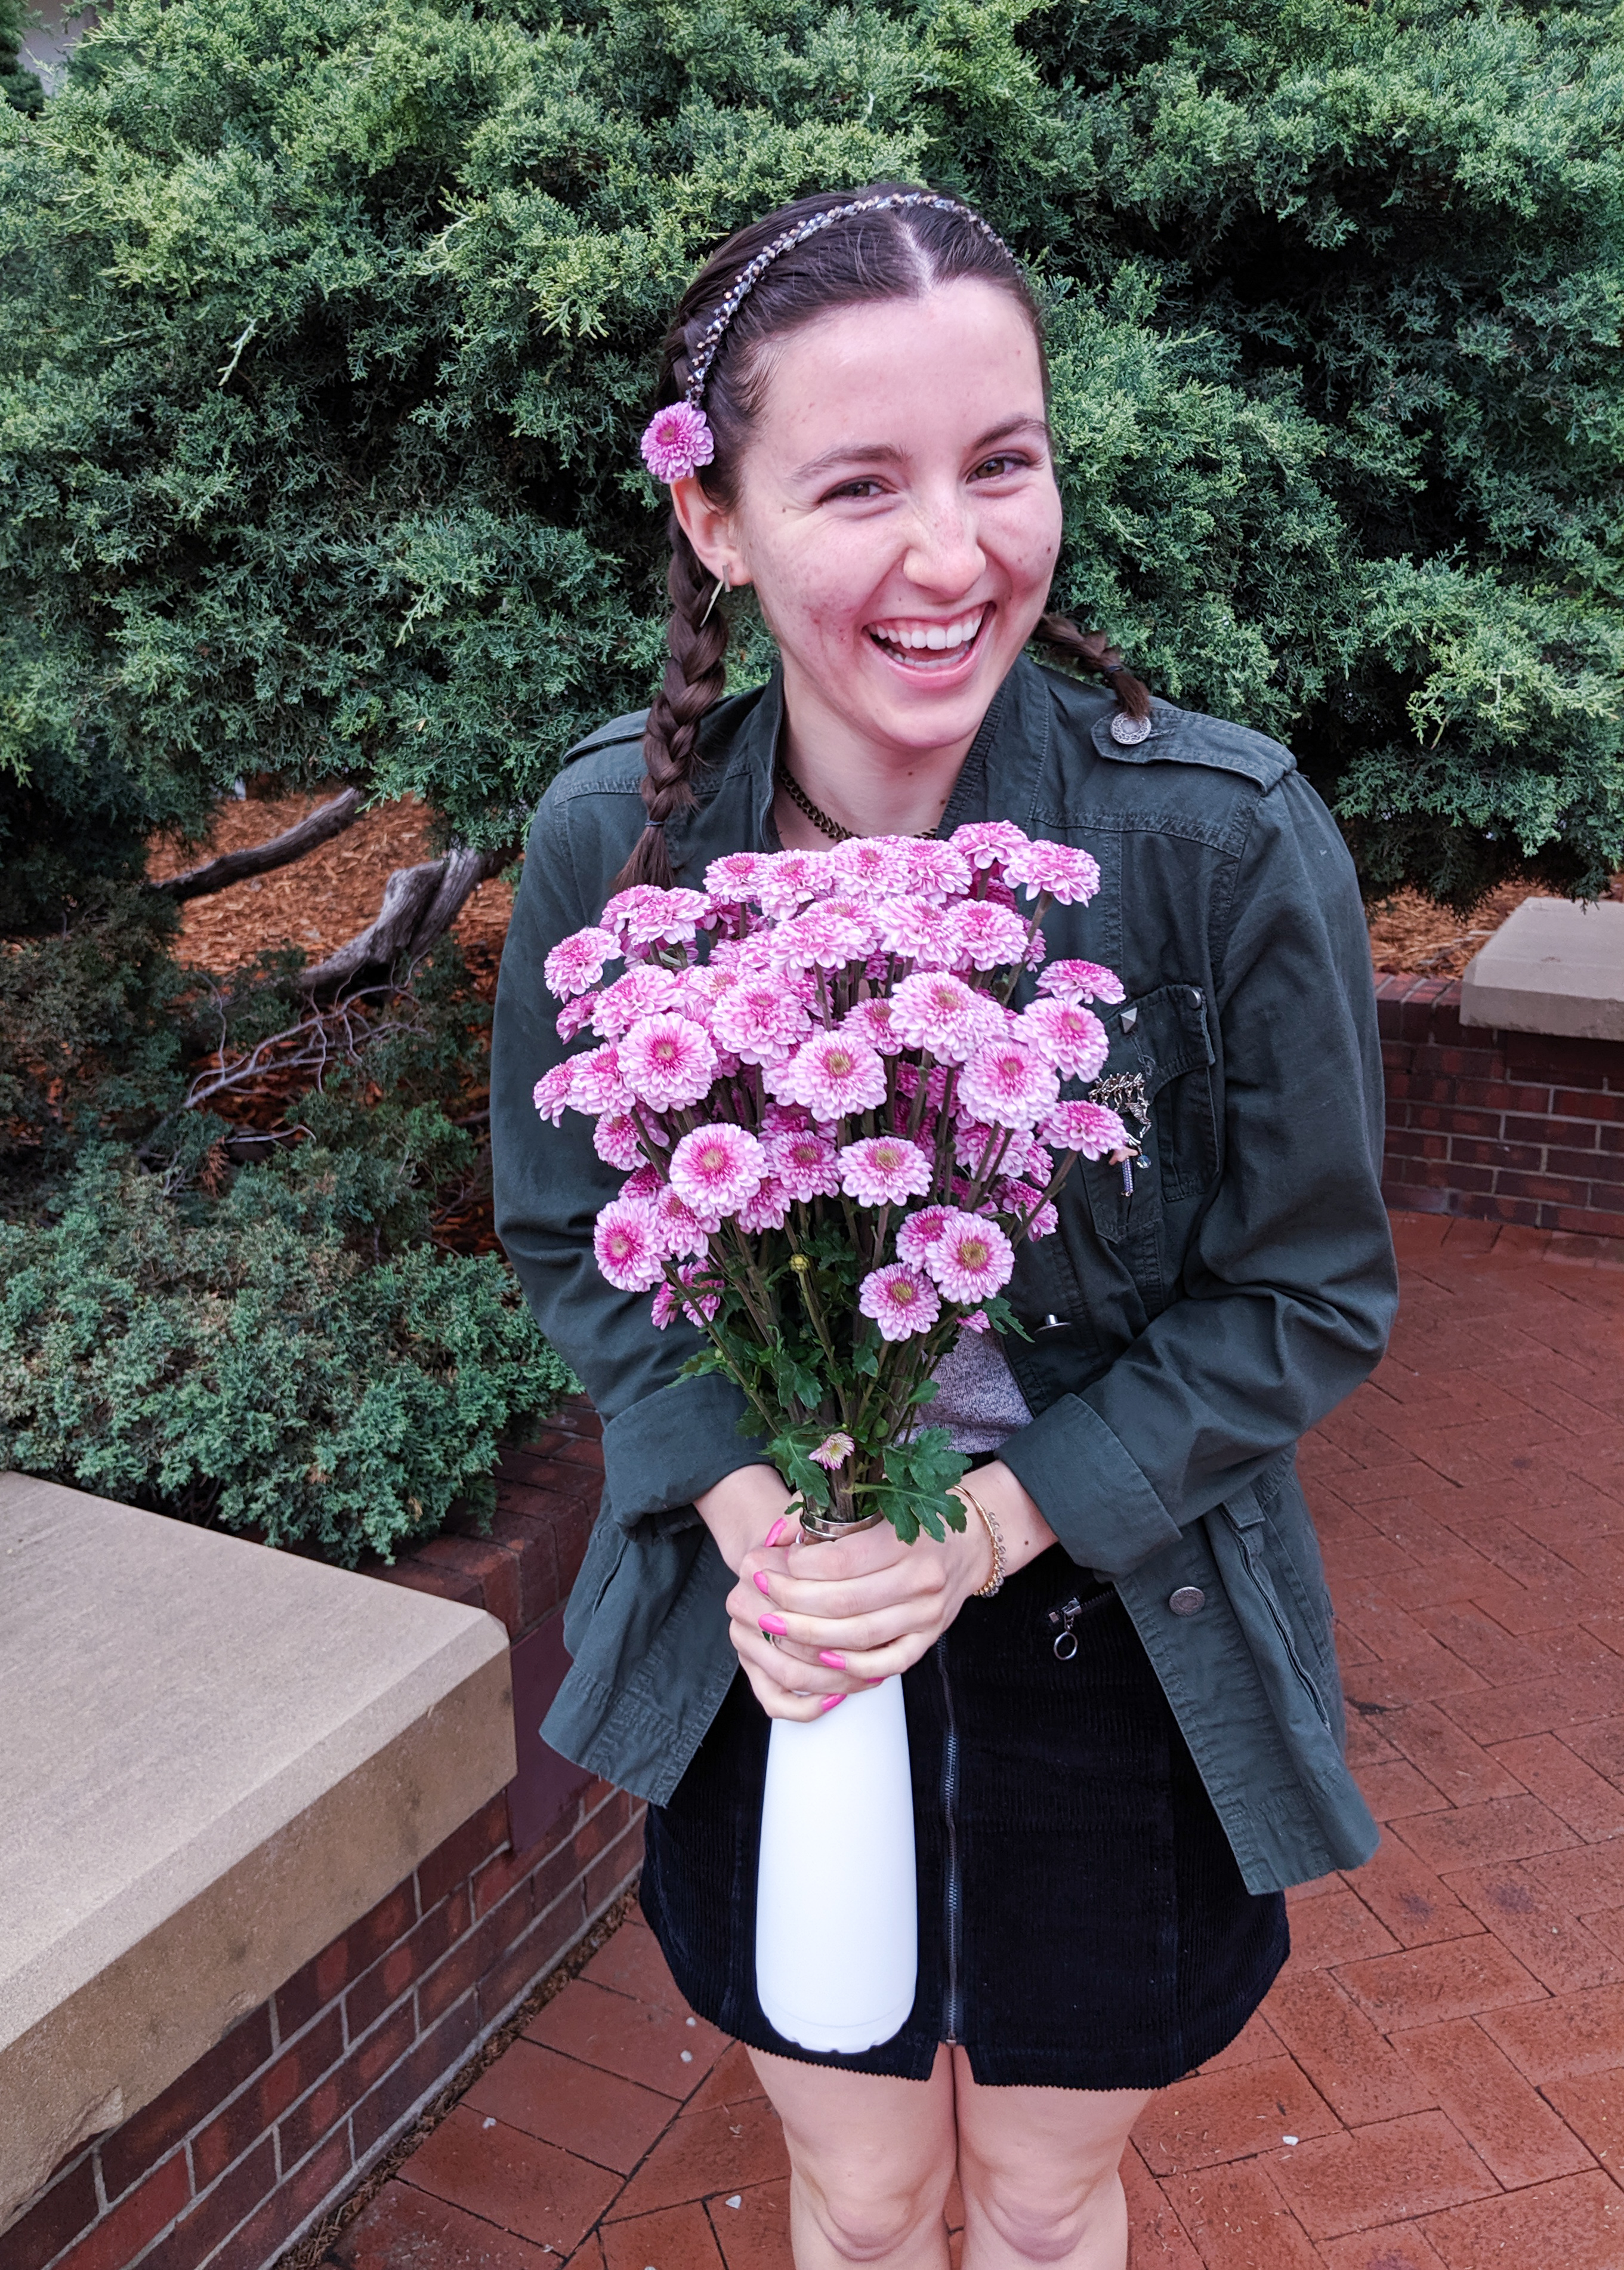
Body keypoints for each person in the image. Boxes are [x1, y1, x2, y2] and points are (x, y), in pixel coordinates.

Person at [491, 185, 1395, 2270]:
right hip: (780, 1642)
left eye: (1002, 463)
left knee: (1045, 2192)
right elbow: (573, 1239)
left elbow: (1305, 1295)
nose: (950, 555)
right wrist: (744, 1507)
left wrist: (983, 1526)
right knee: (866, 2185)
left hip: (1115, 1634)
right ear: (713, 519)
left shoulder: (1215, 843)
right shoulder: (611, 843)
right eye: (855, 484)